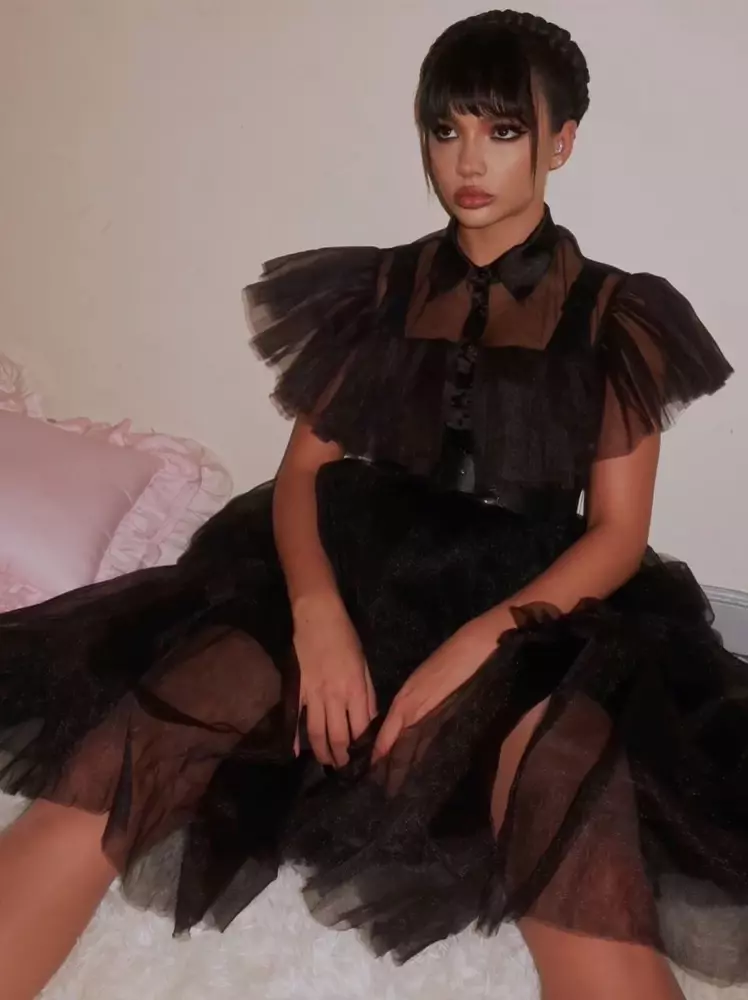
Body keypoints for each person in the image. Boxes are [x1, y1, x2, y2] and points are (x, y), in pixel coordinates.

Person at [0, 8, 744, 999]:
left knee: (568, 815)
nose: (467, 161)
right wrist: (315, 615)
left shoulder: (619, 314)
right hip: (352, 565)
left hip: (531, 607)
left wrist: (473, 650)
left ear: (561, 142)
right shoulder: (381, 289)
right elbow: (302, 474)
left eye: (503, 130)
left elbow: (615, 535)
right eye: (446, 129)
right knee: (125, 753)